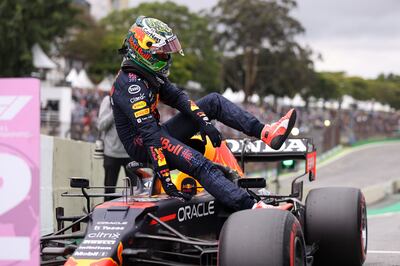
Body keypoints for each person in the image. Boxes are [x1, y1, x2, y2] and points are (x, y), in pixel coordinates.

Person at [110, 16, 296, 210]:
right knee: (200, 164)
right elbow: (149, 134)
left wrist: (204, 122)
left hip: (155, 133)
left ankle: (266, 132)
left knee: (213, 101)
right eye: (163, 53)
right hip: (144, 143)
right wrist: (165, 177)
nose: (168, 57)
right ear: (144, 50)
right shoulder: (131, 86)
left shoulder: (146, 73)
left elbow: (178, 98)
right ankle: (254, 208)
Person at [98, 95, 136, 201]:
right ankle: (106, 217)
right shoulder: (108, 100)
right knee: (109, 192)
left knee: (136, 192)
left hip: (131, 153)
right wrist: (115, 110)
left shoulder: (135, 98)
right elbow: (101, 126)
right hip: (111, 153)